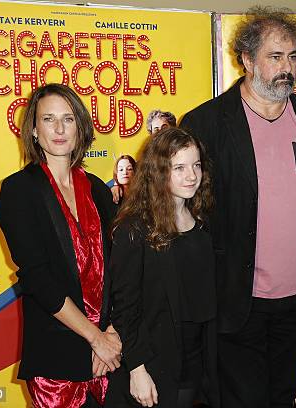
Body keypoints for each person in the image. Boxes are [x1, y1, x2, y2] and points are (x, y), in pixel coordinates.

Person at [180, 6, 296, 407]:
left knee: (282, 396)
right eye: (275, 57)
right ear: (246, 59)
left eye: (293, 56)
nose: (288, 67)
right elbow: (186, 209)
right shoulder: (206, 123)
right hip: (236, 298)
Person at [0, 83, 121, 408]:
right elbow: (38, 279)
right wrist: (95, 339)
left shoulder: (98, 190)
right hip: (58, 361)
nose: (59, 128)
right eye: (48, 119)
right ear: (34, 130)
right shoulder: (17, 191)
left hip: (109, 356)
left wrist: (112, 333)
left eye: (68, 118)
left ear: (80, 126)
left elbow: (122, 267)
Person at [105, 127, 218, 408]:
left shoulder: (203, 222)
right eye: (179, 167)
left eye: (196, 165)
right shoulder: (134, 228)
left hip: (197, 361)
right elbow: (125, 308)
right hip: (153, 364)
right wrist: (137, 369)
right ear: (158, 171)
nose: (191, 175)